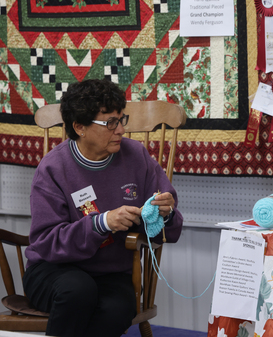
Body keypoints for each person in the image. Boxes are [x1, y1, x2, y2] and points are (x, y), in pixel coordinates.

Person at [23, 79, 184, 337]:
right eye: (110, 123)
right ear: (79, 127)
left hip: (111, 274)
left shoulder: (137, 156)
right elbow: (45, 243)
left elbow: (171, 232)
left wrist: (166, 213)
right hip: (53, 272)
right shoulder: (53, 168)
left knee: (118, 308)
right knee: (78, 290)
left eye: (122, 119)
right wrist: (102, 223)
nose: (120, 130)